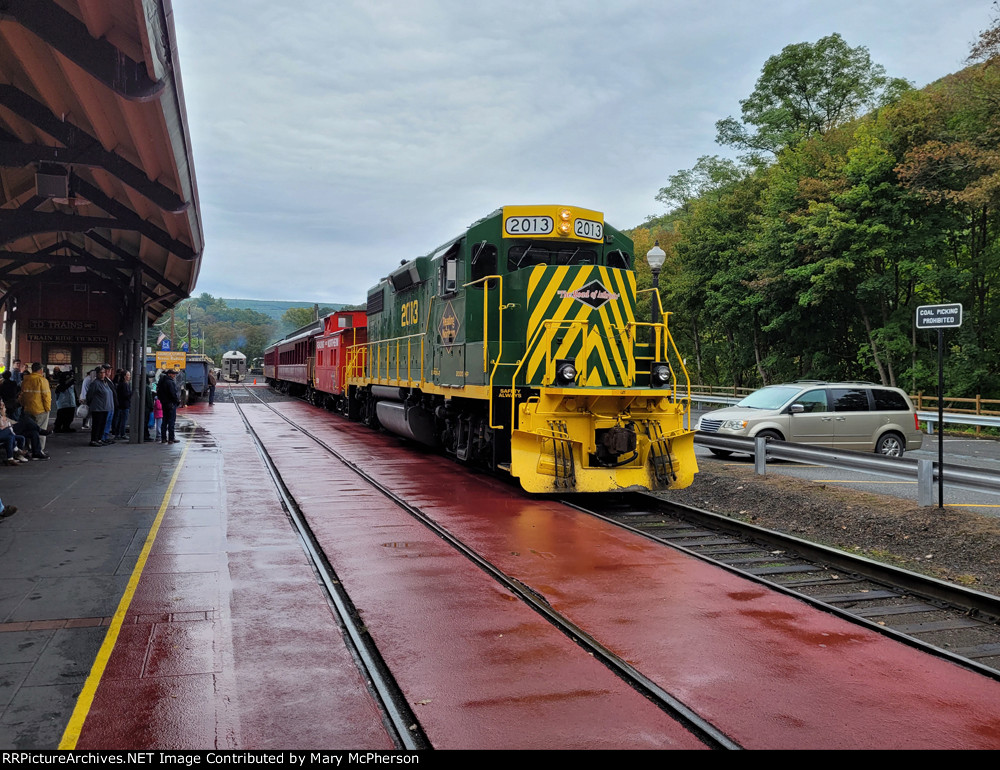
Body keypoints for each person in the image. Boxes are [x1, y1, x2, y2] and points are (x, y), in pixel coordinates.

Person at [19, 363, 51, 453]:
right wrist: (47, 408)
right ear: (41, 370)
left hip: (28, 409)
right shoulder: (42, 380)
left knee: (30, 429)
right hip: (40, 409)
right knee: (41, 430)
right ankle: (39, 450)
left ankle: (30, 448)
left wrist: (23, 405)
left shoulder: (25, 380)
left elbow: (22, 395)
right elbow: (46, 396)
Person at [84, 366, 114, 447]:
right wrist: (91, 404)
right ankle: (94, 440)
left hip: (105, 407)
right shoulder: (95, 383)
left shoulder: (105, 382)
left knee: (102, 425)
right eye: (101, 373)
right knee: (97, 425)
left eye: (104, 372)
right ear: (97, 374)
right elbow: (89, 395)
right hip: (97, 408)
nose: (103, 374)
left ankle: (99, 439)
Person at [156, 368, 180, 444]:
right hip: (171, 404)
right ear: (169, 374)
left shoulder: (162, 382)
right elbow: (173, 394)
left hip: (164, 403)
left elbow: (159, 393)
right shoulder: (170, 382)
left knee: (164, 421)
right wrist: (177, 401)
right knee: (171, 421)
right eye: (173, 374)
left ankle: (163, 438)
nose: (174, 375)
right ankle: (171, 438)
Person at [53, 368, 78, 432]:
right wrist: (70, 383)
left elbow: (74, 393)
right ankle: (57, 428)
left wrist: (77, 401)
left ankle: (66, 427)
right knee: (61, 417)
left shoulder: (71, 385)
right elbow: (63, 388)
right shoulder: (60, 386)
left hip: (71, 403)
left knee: (70, 417)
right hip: (63, 404)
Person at [113, 370, 132, 439]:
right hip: (124, 404)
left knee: (120, 420)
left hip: (121, 404)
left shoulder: (121, 384)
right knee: (123, 420)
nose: (129, 376)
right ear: (124, 376)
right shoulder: (124, 384)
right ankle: (122, 433)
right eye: (128, 375)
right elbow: (125, 395)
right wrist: (131, 394)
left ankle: (118, 433)